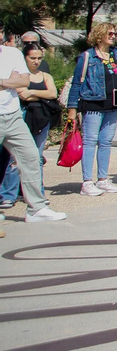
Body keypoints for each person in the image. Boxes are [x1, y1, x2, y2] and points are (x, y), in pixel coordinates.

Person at [0, 36, 64, 223]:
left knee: (31, 157)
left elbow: (25, 81)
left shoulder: (13, 53)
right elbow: (17, 82)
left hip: (12, 116)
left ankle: (36, 208)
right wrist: (10, 81)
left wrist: (3, 82)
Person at [65, 21, 117, 196]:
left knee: (106, 141)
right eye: (110, 34)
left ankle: (102, 179)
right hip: (94, 103)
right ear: (99, 35)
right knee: (90, 141)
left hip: (114, 104)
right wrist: (72, 108)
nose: (113, 37)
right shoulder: (87, 56)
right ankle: (87, 181)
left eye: (115, 34)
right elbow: (77, 82)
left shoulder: (115, 55)